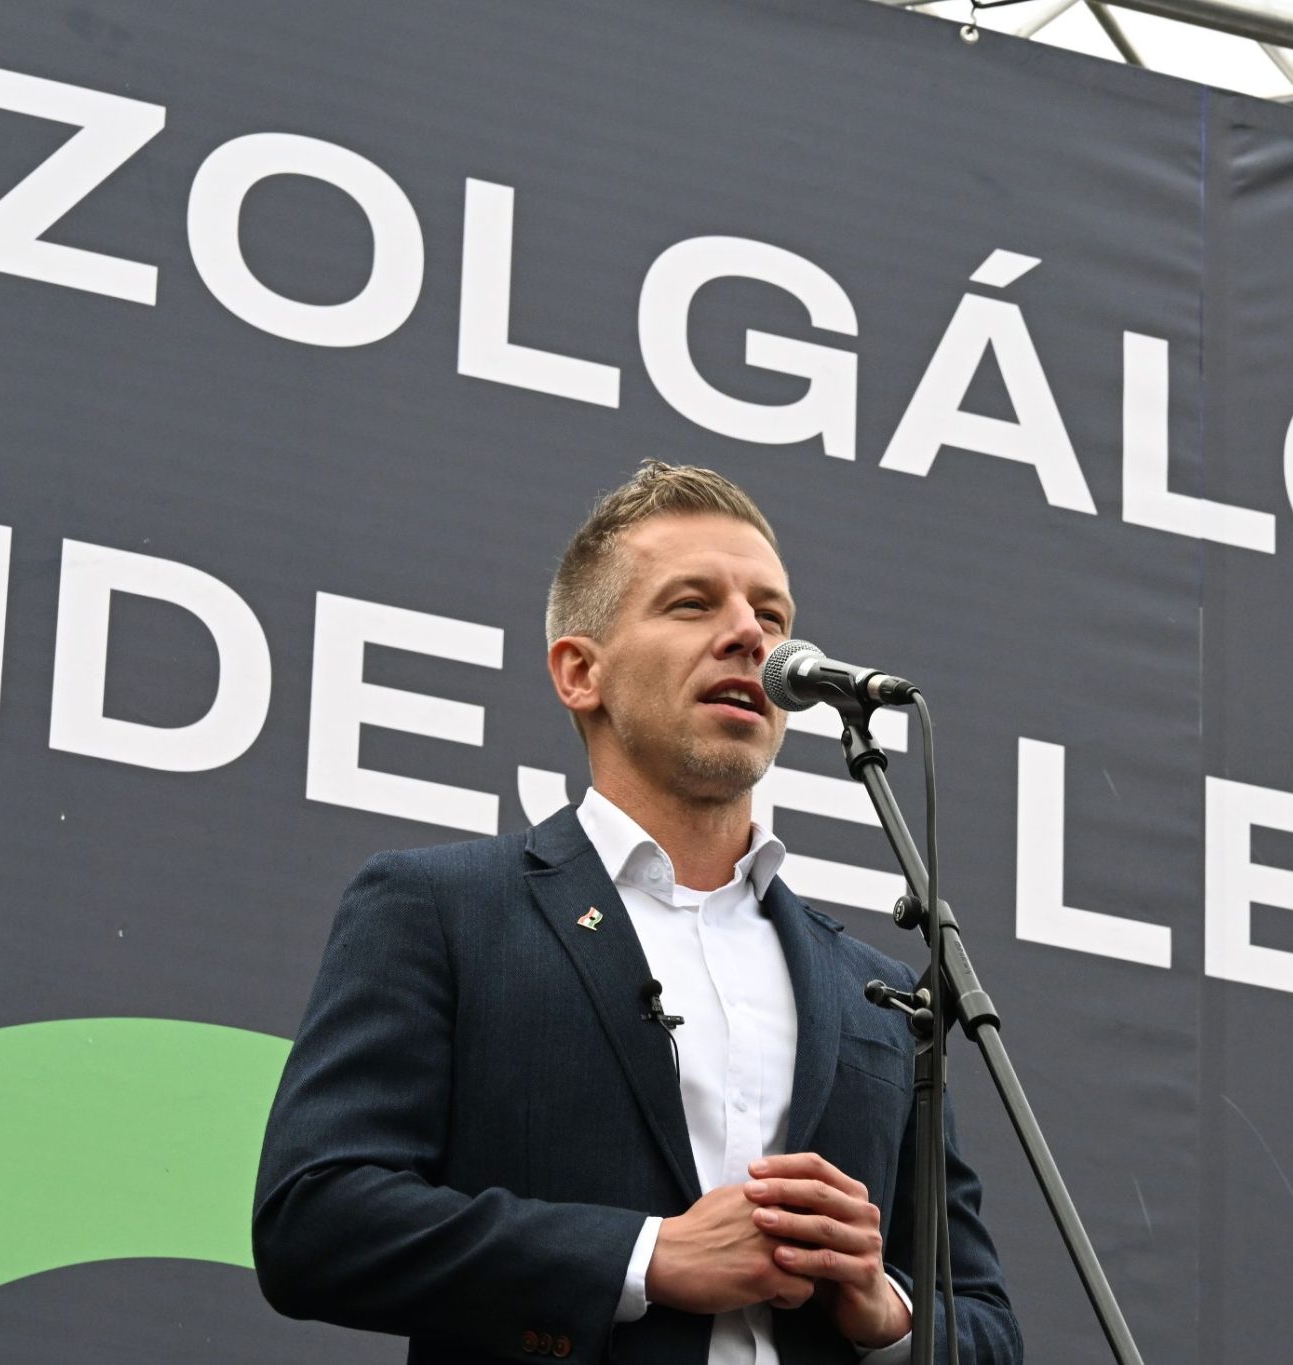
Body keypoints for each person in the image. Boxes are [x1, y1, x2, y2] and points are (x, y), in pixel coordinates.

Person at [253, 462, 1020, 1365]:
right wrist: (645, 1257)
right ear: (581, 672)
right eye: (693, 604)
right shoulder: (442, 910)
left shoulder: (878, 994)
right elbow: (316, 1217)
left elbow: (986, 1324)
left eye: (772, 616)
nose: (750, 635)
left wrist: (883, 1307)